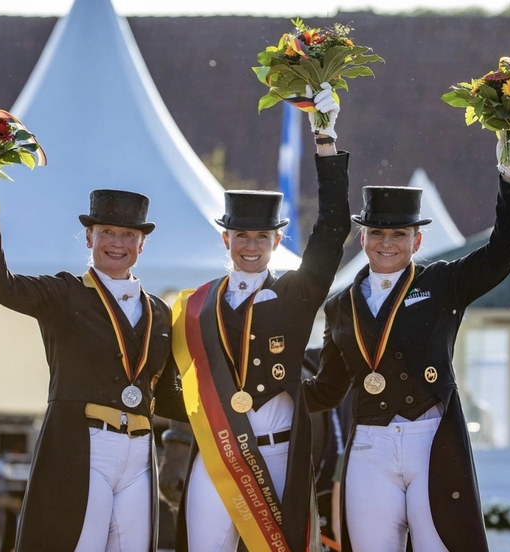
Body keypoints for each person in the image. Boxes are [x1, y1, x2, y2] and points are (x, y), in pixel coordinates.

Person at [303, 128, 510, 552]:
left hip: (431, 441)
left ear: (417, 240)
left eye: (399, 235)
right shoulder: (339, 306)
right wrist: (275, 392)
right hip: (369, 445)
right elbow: (328, 389)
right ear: (363, 237)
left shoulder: (442, 283)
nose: (387, 243)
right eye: (377, 233)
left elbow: (503, 252)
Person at [170, 82, 351, 552]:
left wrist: (326, 141)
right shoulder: (196, 304)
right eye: (241, 237)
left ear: (277, 242)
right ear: (225, 240)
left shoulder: (296, 293)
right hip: (217, 451)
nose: (250, 247)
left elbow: (333, 228)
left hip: (280, 453)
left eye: (261, 238)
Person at [0, 186, 184, 552]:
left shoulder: (160, 311)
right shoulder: (63, 293)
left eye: (128, 234)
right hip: (85, 447)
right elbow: (1, 286)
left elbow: (165, 397)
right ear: (89, 237)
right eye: (107, 232)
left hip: (140, 455)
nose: (117, 243)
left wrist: (228, 410)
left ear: (142, 243)